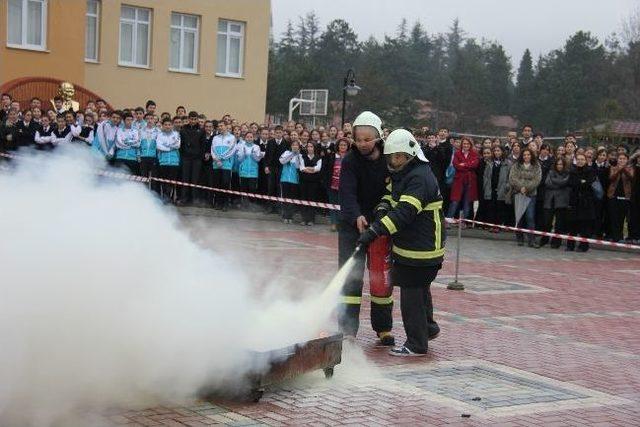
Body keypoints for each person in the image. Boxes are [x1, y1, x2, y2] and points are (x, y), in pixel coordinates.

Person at [357, 129, 445, 356]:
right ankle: (428, 328)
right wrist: (383, 207)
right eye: (391, 157)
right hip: (414, 247)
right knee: (421, 289)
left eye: (399, 157)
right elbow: (391, 195)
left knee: (411, 295)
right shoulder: (404, 174)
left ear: (411, 154)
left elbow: (405, 212)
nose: (394, 161)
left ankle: (416, 344)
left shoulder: (419, 178)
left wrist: (375, 231)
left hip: (421, 249)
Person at [337, 111, 395, 346]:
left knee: (380, 278)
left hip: (381, 227)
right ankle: (348, 330)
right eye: (358, 139)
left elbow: (394, 192)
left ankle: (383, 329)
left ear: (378, 138)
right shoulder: (350, 161)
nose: (361, 144)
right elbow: (347, 192)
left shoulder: (389, 160)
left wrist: (381, 220)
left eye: (367, 139)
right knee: (351, 279)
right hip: (353, 227)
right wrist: (356, 216)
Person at [508, 148, 542, 247]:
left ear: (531, 156)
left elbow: (537, 180)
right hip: (518, 194)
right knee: (519, 217)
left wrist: (526, 188)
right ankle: (520, 238)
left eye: (528, 155)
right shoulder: (516, 166)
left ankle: (531, 240)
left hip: (530, 195)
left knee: (530, 217)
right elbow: (512, 178)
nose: (526, 157)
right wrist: (520, 188)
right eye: (524, 155)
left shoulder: (536, 166)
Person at [566, 153, 597, 252]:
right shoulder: (572, 171)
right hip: (574, 202)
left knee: (585, 226)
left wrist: (580, 182)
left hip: (586, 203)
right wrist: (581, 182)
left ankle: (583, 246)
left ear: (586, 160)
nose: (580, 161)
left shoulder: (590, 170)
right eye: (578, 159)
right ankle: (570, 246)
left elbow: (588, 183)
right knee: (572, 225)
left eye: (582, 159)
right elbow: (570, 183)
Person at [178, 111, 207, 205]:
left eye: (195, 119)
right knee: (185, 179)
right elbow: (181, 145)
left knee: (195, 179)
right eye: (191, 119)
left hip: (197, 159)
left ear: (197, 119)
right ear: (188, 119)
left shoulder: (201, 130)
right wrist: (183, 156)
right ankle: (184, 198)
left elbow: (203, 146)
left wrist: (200, 157)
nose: (193, 121)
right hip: (186, 158)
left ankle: (194, 199)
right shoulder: (183, 130)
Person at [448, 136, 479, 221]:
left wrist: (464, 164)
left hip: (470, 181)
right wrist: (468, 165)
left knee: (467, 202)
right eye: (464, 143)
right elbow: (456, 165)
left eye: (467, 144)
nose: (466, 145)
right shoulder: (457, 154)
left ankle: (465, 221)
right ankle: (449, 219)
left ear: (470, 145)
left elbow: (475, 165)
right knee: (455, 201)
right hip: (459, 180)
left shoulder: (474, 154)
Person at [542, 158, 571, 248]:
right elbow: (547, 183)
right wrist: (560, 184)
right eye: (558, 164)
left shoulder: (567, 174)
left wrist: (555, 181)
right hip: (550, 200)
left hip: (562, 201)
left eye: (561, 164)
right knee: (547, 222)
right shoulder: (550, 172)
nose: (559, 166)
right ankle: (544, 239)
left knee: (559, 223)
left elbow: (565, 182)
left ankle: (556, 242)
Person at [607, 153, 635, 243]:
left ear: (627, 160)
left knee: (622, 217)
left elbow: (631, 178)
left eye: (624, 159)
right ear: (617, 160)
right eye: (620, 159)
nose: (621, 160)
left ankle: (620, 236)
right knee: (614, 217)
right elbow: (611, 178)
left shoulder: (630, 168)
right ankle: (615, 237)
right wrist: (619, 170)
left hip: (625, 196)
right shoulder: (613, 167)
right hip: (613, 195)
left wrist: (624, 169)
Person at [323, 138, 350, 232]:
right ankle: (333, 223)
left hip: (344, 186)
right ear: (338, 146)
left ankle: (340, 223)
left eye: (344, 145)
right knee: (332, 205)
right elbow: (325, 169)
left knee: (341, 205)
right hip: (332, 185)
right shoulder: (331, 156)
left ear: (347, 147)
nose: (342, 147)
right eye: (341, 145)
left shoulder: (349, 157)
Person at [482, 145, 510, 231]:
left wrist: (506, 186)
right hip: (491, 188)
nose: (497, 152)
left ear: (502, 152)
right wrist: (486, 186)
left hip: (502, 189)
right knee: (491, 207)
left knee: (500, 208)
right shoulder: (490, 163)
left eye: (498, 151)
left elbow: (510, 177)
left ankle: (498, 226)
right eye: (495, 151)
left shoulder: (507, 163)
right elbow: (486, 176)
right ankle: (492, 225)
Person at [210, 122, 236, 211]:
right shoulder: (215, 138)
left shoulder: (232, 137)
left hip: (226, 164)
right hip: (216, 164)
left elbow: (232, 150)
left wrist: (221, 158)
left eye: (222, 126)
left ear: (226, 126)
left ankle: (225, 203)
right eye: (219, 126)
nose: (220, 127)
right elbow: (212, 149)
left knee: (225, 183)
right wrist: (216, 159)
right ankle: (218, 202)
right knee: (217, 184)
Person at [236, 131, 264, 209]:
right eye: (247, 137)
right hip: (243, 171)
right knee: (243, 188)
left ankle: (252, 204)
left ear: (253, 138)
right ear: (245, 138)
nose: (249, 138)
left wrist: (252, 154)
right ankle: (244, 204)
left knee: (252, 188)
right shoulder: (241, 146)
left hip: (253, 172)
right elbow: (239, 159)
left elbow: (258, 159)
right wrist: (244, 154)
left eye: (251, 137)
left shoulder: (256, 147)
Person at [156, 117, 181, 204]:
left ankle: (170, 198)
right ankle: (164, 198)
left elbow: (177, 145)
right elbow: (159, 146)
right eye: (165, 125)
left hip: (174, 162)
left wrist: (165, 146)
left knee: (172, 182)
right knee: (164, 181)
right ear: (162, 126)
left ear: (172, 125)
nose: (167, 126)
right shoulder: (160, 135)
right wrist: (170, 148)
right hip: (163, 161)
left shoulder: (176, 134)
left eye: (169, 124)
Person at [264, 125, 289, 213]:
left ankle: (278, 207)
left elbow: (287, 157)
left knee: (279, 187)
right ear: (274, 133)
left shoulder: (286, 143)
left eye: (280, 133)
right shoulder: (270, 142)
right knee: (270, 187)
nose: (278, 134)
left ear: (282, 133)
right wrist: (266, 166)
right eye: (277, 133)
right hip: (271, 168)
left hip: (281, 168)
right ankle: (270, 206)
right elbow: (266, 156)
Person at [299, 141, 322, 226]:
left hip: (314, 182)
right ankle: (304, 219)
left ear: (314, 148)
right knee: (304, 199)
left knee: (312, 200)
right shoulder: (302, 156)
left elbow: (318, 168)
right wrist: (311, 169)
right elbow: (302, 168)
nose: (309, 148)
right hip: (304, 181)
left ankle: (311, 219)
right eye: (308, 146)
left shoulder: (318, 157)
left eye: (311, 146)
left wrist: (308, 169)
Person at [279, 139, 302, 223]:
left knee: (292, 199)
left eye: (297, 145)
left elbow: (298, 167)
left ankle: (290, 217)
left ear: (299, 147)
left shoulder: (300, 155)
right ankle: (285, 216)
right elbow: (282, 161)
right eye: (293, 145)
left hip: (294, 180)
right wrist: (292, 154)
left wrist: (297, 155)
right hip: (284, 179)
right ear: (291, 146)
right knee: (285, 198)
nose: (295, 146)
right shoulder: (286, 153)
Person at [139, 113, 159, 191]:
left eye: (151, 118)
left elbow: (159, 146)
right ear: (145, 120)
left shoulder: (158, 131)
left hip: (153, 157)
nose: (149, 120)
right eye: (147, 119)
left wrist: (158, 157)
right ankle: (145, 195)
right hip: (143, 157)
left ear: (154, 120)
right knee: (144, 178)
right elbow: (138, 144)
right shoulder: (141, 131)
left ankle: (153, 196)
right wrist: (138, 155)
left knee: (154, 178)